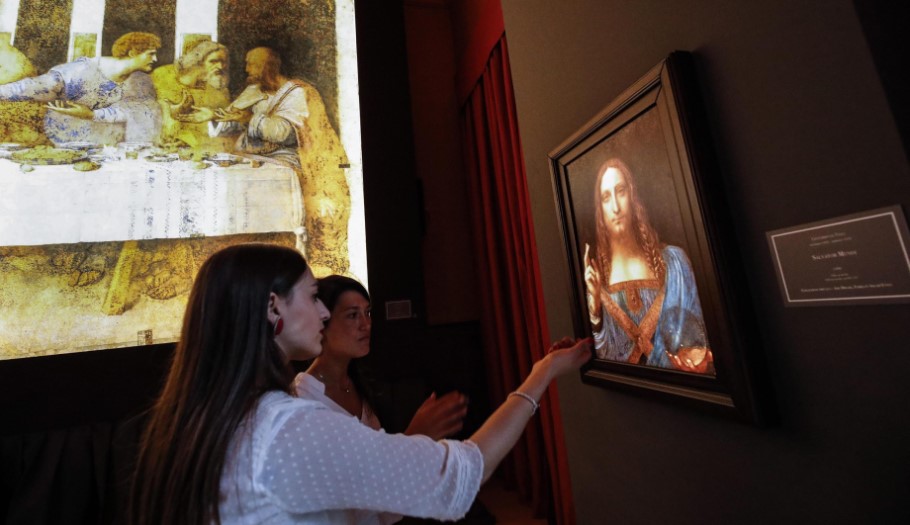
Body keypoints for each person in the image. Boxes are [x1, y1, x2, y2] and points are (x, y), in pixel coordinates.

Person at [130, 243, 590, 524]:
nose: (326, 313)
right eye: (313, 298)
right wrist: (542, 374)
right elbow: (461, 473)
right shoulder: (284, 426)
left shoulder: (208, 418)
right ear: (273, 308)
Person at [295, 274, 469, 525]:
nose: (366, 325)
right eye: (353, 315)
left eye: (368, 313)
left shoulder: (357, 383)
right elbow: (344, 490)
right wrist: (415, 437)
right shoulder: (304, 399)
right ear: (322, 321)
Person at [212, 47, 351, 277]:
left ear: (270, 67)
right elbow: (232, 122)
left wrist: (250, 119)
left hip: (282, 162)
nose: (246, 69)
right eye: (246, 63)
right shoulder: (253, 90)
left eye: (252, 64)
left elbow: (283, 133)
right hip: (252, 158)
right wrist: (213, 116)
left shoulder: (296, 93)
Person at [584, 158, 714, 374]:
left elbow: (697, 339)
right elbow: (603, 356)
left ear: (633, 197)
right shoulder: (597, 278)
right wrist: (595, 311)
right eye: (606, 198)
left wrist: (697, 358)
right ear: (600, 209)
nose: (615, 207)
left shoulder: (675, 263)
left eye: (621, 191)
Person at [0, 31, 162, 145]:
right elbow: (38, 86)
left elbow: (133, 110)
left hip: (110, 143)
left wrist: (92, 114)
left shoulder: (141, 80)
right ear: (133, 53)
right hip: (69, 138)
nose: (155, 59)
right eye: (150, 54)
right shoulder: (82, 70)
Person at [152, 40, 231, 149]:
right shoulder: (163, 75)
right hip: (163, 147)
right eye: (214, 61)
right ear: (198, 62)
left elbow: (230, 125)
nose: (221, 66)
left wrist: (214, 115)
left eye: (224, 62)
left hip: (200, 151)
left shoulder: (221, 90)